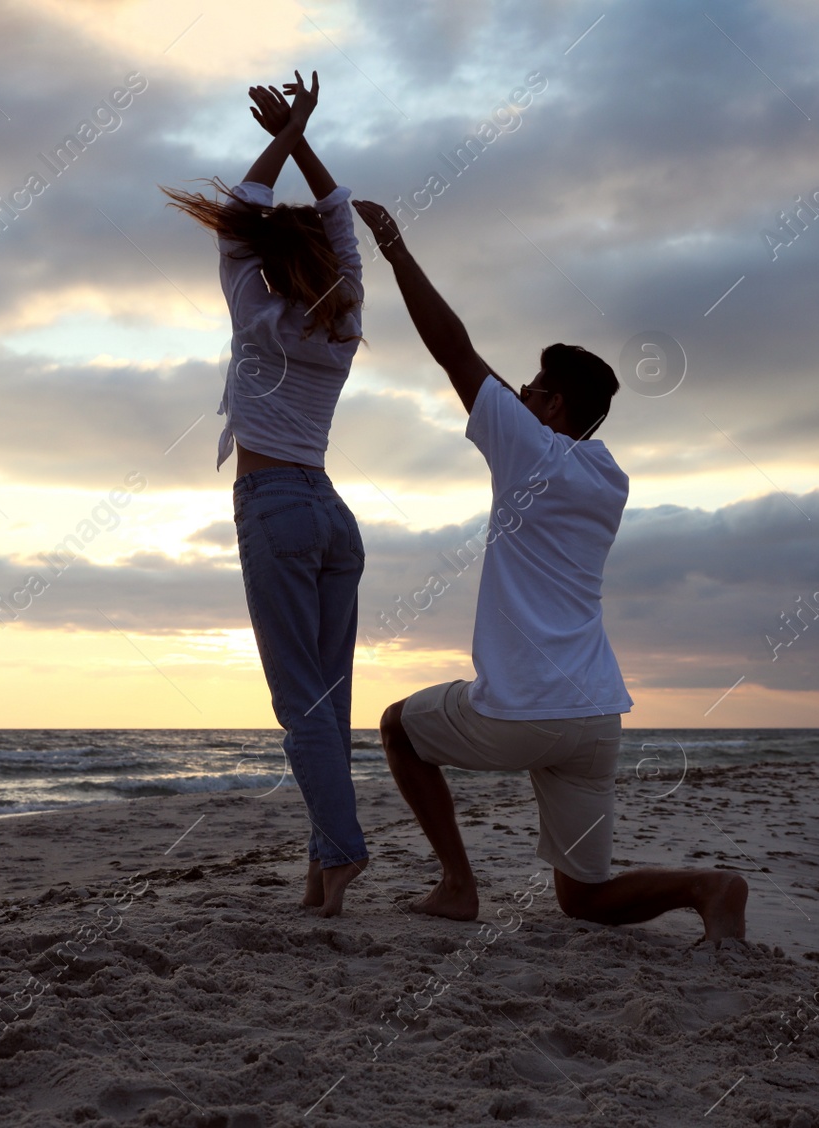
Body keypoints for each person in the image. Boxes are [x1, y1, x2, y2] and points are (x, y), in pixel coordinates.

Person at [351, 199, 749, 943]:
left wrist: (395, 249)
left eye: (532, 389)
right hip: (595, 717)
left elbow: (456, 353)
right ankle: (709, 886)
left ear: (555, 405)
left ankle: (457, 887)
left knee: (397, 727)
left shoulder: (529, 450)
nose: (519, 395)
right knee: (583, 899)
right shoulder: (609, 477)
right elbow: (496, 383)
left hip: (523, 710)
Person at [162, 72, 369, 916]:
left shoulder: (253, 307)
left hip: (276, 508)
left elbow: (248, 202)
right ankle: (323, 877)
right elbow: (340, 218)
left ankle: (345, 851)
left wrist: (288, 133)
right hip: (332, 514)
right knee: (331, 705)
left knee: (300, 706)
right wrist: (308, 135)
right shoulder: (343, 318)